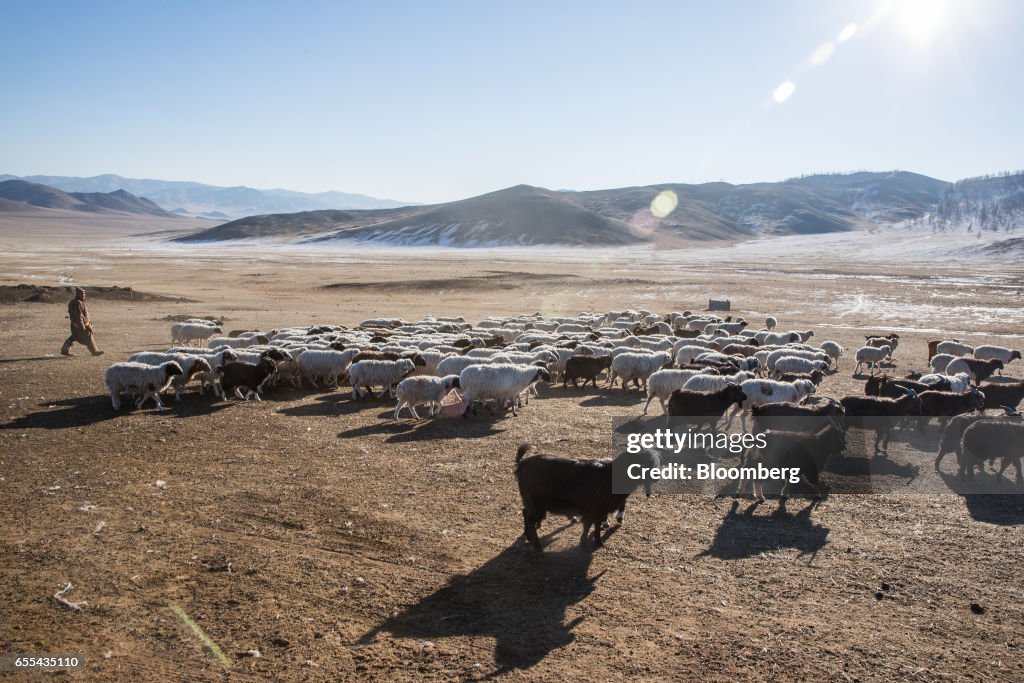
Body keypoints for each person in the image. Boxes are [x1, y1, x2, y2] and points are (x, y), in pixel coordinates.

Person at [60, 287, 104, 356]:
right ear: (78, 294)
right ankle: (94, 351)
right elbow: (79, 317)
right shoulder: (78, 303)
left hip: (76, 325)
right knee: (88, 336)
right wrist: (83, 328)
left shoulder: (74, 302)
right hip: (80, 325)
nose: (83, 295)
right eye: (82, 294)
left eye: (84, 294)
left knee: (74, 336)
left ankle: (64, 350)